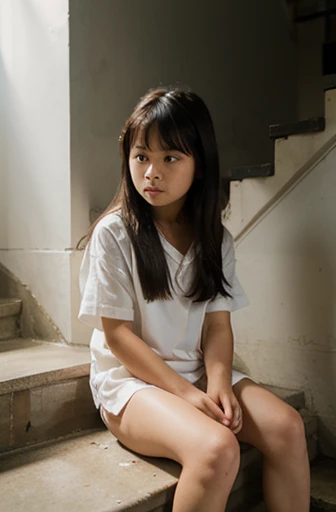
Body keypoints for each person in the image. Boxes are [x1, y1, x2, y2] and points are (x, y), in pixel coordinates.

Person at [78, 87, 310, 512]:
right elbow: (117, 337)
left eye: (171, 158)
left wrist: (219, 383)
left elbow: (218, 324)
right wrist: (185, 393)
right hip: (131, 384)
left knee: (288, 427)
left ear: (199, 165)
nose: (151, 171)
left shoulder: (215, 238)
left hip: (197, 372)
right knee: (218, 450)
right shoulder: (114, 233)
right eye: (141, 155)